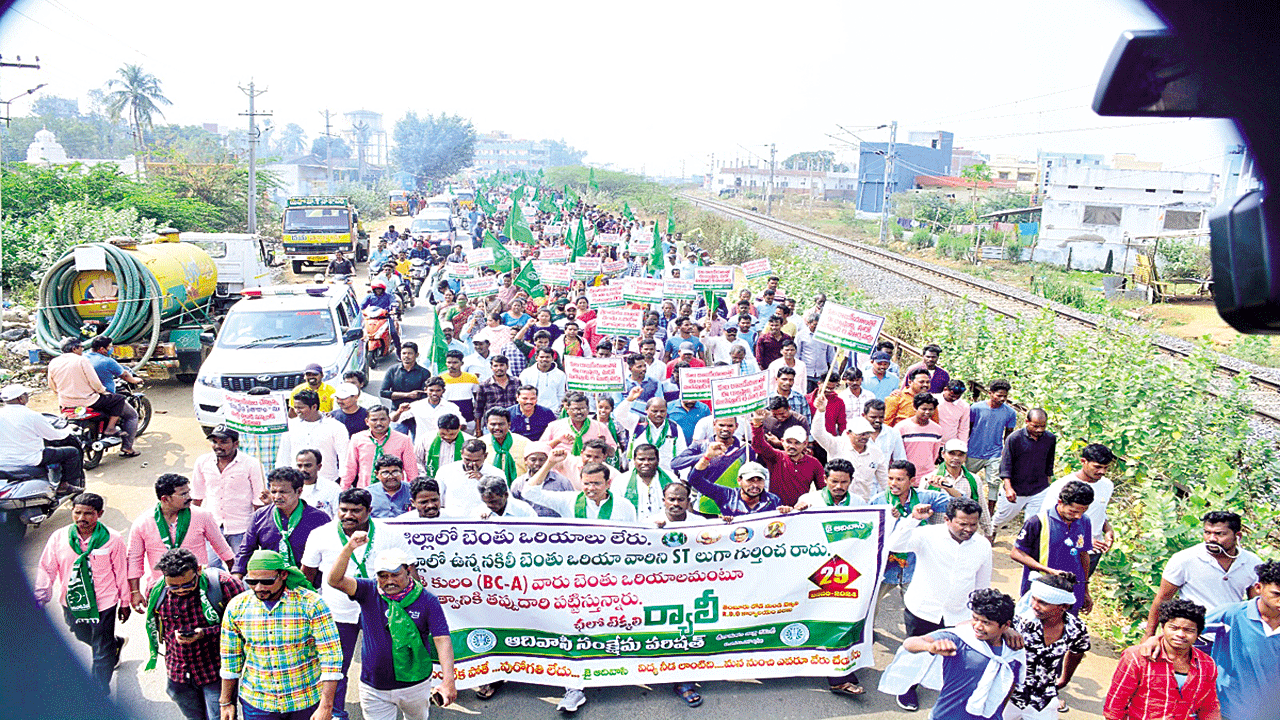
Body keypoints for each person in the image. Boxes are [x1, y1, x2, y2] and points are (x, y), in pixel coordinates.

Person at [301, 487, 413, 720]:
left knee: (388, 660)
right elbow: (307, 576)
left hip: (380, 610)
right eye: (344, 510)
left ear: (369, 511)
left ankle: (394, 707)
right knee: (335, 666)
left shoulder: (388, 533)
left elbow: (409, 569)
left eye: (356, 511)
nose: (348, 515)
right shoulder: (320, 534)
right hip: (337, 611)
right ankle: (336, 713)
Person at [326, 540, 457, 720]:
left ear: (408, 571)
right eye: (383, 576)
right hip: (373, 687)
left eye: (395, 575)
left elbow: (442, 639)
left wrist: (449, 680)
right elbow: (335, 580)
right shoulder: (368, 590)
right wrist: (349, 548)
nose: (389, 581)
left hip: (415, 686)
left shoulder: (427, 601)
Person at [886, 496, 993, 710]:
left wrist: (979, 616)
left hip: (959, 614)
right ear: (946, 519)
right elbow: (895, 544)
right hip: (922, 609)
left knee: (952, 655)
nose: (969, 529)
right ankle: (908, 688)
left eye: (973, 524)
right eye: (962, 524)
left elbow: (982, 584)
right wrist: (913, 519)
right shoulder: (926, 535)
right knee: (917, 651)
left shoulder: (982, 546)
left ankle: (948, 691)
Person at [220, 549, 343, 720]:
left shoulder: (312, 604)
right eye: (252, 581)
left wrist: (326, 706)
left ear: (283, 575)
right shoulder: (237, 607)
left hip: (305, 702)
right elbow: (230, 659)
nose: (259, 588)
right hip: (258, 703)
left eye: (267, 581)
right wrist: (225, 702)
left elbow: (331, 656)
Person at [34, 492, 131, 690]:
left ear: (99, 514)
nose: (81, 518)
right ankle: (115, 644)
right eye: (77, 512)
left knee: (101, 652)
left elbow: (121, 571)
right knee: (81, 635)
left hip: (103, 602)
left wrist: (125, 602)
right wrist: (40, 597)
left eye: (88, 514)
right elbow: (47, 567)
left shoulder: (112, 539)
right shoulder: (59, 537)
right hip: (72, 601)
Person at [879, 589, 1026, 720]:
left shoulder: (1012, 650)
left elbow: (1009, 685)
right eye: (975, 618)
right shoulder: (960, 639)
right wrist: (929, 646)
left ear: (1006, 625)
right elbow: (910, 644)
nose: (977, 626)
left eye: (986, 623)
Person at [142, 548, 246, 720]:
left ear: (198, 569)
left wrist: (205, 633)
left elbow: (243, 626)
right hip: (179, 673)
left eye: (188, 584)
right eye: (173, 586)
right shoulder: (156, 591)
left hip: (215, 670)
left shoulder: (225, 585)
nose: (181, 590)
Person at [1143, 510, 1264, 638]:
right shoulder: (1184, 559)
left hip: (1230, 636)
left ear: (1237, 536)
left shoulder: (1252, 562)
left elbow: (1256, 604)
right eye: (1207, 533)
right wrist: (1148, 635)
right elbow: (1162, 598)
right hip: (1193, 636)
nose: (1211, 539)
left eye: (1219, 534)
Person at [127, 474, 234, 609]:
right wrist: (135, 592)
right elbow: (134, 560)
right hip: (163, 589)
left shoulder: (202, 516)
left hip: (197, 585)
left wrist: (235, 574)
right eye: (183, 494)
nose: (189, 497)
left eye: (188, 492)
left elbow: (222, 548)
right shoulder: (142, 523)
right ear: (165, 499)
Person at [1105, 599, 1220, 720]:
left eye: (1188, 630)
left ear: (1199, 634)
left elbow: (1209, 706)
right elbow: (1116, 704)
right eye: (1174, 628)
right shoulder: (1136, 657)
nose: (1180, 634)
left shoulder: (1207, 664)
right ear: (1163, 627)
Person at [1196, 561, 1280, 720]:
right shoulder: (1230, 615)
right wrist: (1154, 640)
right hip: (1229, 710)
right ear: (1258, 588)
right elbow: (1184, 630)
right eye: (1276, 594)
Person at [1007, 572, 1090, 720]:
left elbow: (1077, 651)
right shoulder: (1018, 621)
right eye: (1034, 599)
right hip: (1009, 692)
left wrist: (1064, 679)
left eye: (1043, 603)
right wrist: (1006, 630)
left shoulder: (1075, 628)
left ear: (1063, 606)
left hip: (1043, 697)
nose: (1034, 606)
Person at [1009, 480, 1094, 615]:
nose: (1078, 516)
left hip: (1071, 591)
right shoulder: (1038, 522)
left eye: (1082, 511)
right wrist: (1048, 570)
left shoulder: (1085, 521)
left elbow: (1083, 555)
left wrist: (1085, 590)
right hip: (1041, 590)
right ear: (1060, 502)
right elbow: (1016, 553)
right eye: (1073, 511)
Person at [232, 467, 331, 581]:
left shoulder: (319, 519)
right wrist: (236, 578)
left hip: (310, 584)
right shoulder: (260, 516)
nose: (277, 497)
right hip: (270, 584)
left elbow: (329, 555)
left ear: (299, 491)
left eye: (283, 492)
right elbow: (246, 550)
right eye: (274, 492)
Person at [48, 337, 139, 457]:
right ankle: (113, 431)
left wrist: (61, 394)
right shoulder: (81, 360)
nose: (82, 349)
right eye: (80, 347)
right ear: (74, 348)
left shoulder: (54, 362)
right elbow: (94, 381)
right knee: (119, 399)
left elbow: (52, 384)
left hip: (65, 403)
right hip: (88, 401)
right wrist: (102, 391)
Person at [191, 425, 265, 565]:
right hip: (212, 526)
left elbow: (258, 500)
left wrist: (257, 531)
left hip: (242, 528)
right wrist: (193, 525)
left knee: (242, 569)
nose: (218, 446)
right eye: (215, 442)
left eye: (224, 442)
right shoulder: (203, 462)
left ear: (236, 444)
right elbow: (197, 496)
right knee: (211, 568)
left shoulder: (251, 464)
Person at [873, 460, 954, 587]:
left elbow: (961, 504)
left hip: (914, 566)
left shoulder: (926, 497)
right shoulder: (878, 501)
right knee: (872, 604)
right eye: (890, 478)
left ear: (912, 481)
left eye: (899, 479)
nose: (893, 483)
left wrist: (947, 486)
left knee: (913, 605)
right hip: (886, 566)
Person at [1042, 443, 1116, 578]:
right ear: (1083, 461)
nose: (1102, 472)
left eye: (1106, 468)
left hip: (1093, 553)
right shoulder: (1061, 486)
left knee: (1079, 590)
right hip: (1063, 550)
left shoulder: (1107, 485)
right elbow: (1048, 520)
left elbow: (1100, 513)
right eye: (1097, 467)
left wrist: (1108, 530)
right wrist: (1083, 540)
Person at [0, 383, 85, 494]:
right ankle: (64, 485)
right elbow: (53, 435)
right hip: (31, 458)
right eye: (26, 394)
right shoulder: (31, 415)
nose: (27, 397)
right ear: (21, 398)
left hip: (4, 460)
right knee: (72, 452)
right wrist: (69, 430)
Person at [523, 447, 638, 523]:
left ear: (608, 483)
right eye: (587, 484)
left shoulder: (625, 506)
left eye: (596, 483)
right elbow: (529, 493)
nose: (591, 488)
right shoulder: (568, 500)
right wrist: (550, 463)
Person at [992, 408, 1057, 533]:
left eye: (1043, 426)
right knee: (1002, 517)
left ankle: (1024, 546)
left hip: (1039, 489)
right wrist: (1008, 488)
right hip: (1017, 489)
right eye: (1035, 426)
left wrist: (1048, 481)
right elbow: (1006, 464)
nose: (1039, 430)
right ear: (1027, 422)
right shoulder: (1014, 439)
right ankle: (992, 530)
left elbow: (1050, 461)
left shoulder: (1050, 438)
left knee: (1033, 522)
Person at [749, 412, 824, 507]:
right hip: (775, 510)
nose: (792, 446)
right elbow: (758, 445)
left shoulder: (814, 463)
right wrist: (757, 424)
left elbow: (822, 491)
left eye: (797, 443)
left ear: (805, 444)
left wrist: (809, 503)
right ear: (782, 441)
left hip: (800, 512)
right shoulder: (776, 456)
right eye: (789, 442)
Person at [275, 389, 348, 484]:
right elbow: (283, 456)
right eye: (295, 408)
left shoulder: (336, 427)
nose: (297, 411)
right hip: (297, 482)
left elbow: (344, 456)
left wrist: (344, 481)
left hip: (327, 481)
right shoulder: (290, 426)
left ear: (314, 407)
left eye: (301, 408)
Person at [922, 439, 992, 537]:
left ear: (965, 457)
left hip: (962, 535)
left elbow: (981, 507)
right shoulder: (929, 479)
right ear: (943, 454)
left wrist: (988, 533)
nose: (956, 458)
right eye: (952, 453)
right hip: (936, 534)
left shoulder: (974, 480)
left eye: (960, 455)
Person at [967, 379, 1017, 512]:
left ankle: (989, 512)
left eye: (1005, 396)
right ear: (990, 393)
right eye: (999, 395)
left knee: (994, 483)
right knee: (967, 480)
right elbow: (969, 429)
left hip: (995, 452)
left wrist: (1005, 452)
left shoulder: (1010, 413)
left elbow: (1008, 434)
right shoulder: (976, 408)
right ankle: (967, 507)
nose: (1002, 399)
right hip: (973, 451)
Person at [341, 406, 416, 489]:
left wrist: (414, 491)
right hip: (366, 491)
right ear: (367, 421)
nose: (379, 423)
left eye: (383, 419)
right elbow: (350, 467)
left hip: (395, 491)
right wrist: (344, 489)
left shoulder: (403, 440)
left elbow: (411, 470)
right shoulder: (357, 439)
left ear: (389, 420)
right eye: (374, 420)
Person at [435, 439, 508, 519]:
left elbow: (505, 501)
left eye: (476, 460)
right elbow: (437, 498)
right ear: (461, 454)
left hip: (483, 521)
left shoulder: (496, 473)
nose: (471, 464)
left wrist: (483, 480)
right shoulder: (445, 471)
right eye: (467, 460)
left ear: (485, 456)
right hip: (453, 521)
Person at [609, 443, 675, 520]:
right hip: (633, 528)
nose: (646, 463)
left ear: (658, 460)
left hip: (664, 528)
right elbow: (615, 508)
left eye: (651, 459)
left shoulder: (671, 478)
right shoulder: (620, 481)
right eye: (641, 459)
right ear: (634, 460)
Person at [540, 391, 617, 458]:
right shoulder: (554, 426)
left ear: (588, 410)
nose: (579, 412)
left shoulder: (600, 427)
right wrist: (557, 440)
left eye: (583, 409)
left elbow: (612, 453)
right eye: (575, 409)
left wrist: (604, 445)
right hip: (561, 468)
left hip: (590, 469)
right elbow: (541, 449)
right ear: (568, 410)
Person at [511, 442, 577, 517]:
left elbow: (572, 506)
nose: (537, 463)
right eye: (533, 460)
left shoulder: (562, 481)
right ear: (525, 461)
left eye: (542, 460)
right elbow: (513, 507)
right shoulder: (518, 483)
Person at [478, 407, 527, 484]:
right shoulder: (480, 444)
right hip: (488, 489)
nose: (497, 428)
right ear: (487, 425)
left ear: (509, 424)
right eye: (493, 424)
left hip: (520, 489)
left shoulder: (525, 444)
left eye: (501, 424)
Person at [474, 355, 520, 436]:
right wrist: (478, 430)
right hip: (492, 425)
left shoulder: (516, 382)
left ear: (507, 366)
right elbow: (478, 409)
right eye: (495, 366)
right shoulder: (484, 385)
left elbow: (520, 404)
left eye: (502, 365)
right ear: (491, 367)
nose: (499, 368)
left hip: (513, 424)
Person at [414, 413, 470, 479]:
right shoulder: (426, 439)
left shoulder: (469, 441)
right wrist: (424, 476)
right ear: (438, 428)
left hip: (460, 480)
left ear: (459, 428)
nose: (447, 437)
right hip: (432, 480)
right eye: (443, 434)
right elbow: (416, 461)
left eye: (452, 434)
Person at [793, 458, 860, 511]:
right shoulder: (808, 500)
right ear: (825, 479)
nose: (839, 486)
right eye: (834, 481)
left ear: (851, 480)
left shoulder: (859, 502)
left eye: (844, 482)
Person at [380, 344, 431, 408]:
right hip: (396, 410)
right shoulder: (392, 370)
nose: (406, 356)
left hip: (417, 410)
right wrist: (407, 395)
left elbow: (425, 394)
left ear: (417, 355)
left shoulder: (424, 373)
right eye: (404, 353)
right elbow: (383, 392)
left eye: (410, 353)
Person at [296, 449, 341, 518]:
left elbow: (338, 517)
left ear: (319, 467)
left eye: (308, 465)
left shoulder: (333, 488)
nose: (303, 469)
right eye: (299, 466)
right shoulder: (291, 489)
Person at [937, 380, 971, 444]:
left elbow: (963, 429)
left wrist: (962, 445)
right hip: (932, 441)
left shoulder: (964, 406)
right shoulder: (934, 400)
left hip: (950, 444)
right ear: (945, 389)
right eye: (952, 395)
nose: (954, 399)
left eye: (957, 396)